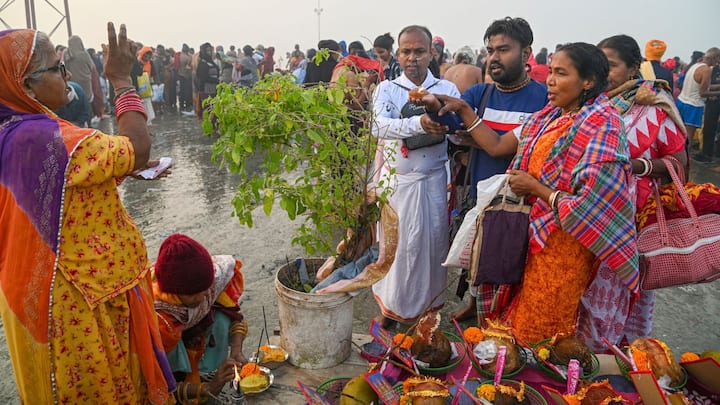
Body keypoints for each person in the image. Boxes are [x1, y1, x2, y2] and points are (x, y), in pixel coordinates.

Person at [0, 24, 173, 403]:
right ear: (24, 86)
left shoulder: (11, 133)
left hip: (33, 294)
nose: (66, 76)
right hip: (75, 304)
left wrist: (119, 172)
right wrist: (121, 79)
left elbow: (52, 195)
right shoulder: (48, 138)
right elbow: (137, 147)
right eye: (56, 68)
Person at [423, 42, 639, 343]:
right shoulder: (549, 116)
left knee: (540, 330)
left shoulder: (603, 124)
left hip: (562, 250)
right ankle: (508, 379)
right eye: (550, 71)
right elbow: (498, 145)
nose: (550, 80)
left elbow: (594, 205)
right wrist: (462, 109)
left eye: (561, 73)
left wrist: (537, 189)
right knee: (511, 322)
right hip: (530, 237)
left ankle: (532, 387)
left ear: (587, 81)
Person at [576, 35, 687, 351]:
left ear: (634, 68)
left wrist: (637, 166)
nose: (603, 71)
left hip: (632, 220)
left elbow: (678, 164)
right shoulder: (589, 103)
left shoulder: (654, 107)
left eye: (611, 65)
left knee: (622, 298)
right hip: (587, 217)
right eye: (599, 63)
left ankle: (617, 364)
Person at [441, 17, 548, 324]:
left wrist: (478, 135)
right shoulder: (480, 95)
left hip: (522, 197)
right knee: (480, 253)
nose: (494, 57)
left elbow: (499, 145)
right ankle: (474, 304)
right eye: (490, 50)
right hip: (481, 192)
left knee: (516, 262)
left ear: (526, 53)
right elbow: (455, 130)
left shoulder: (543, 98)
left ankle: (507, 321)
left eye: (504, 49)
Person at [370, 25, 460, 327]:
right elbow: (378, 127)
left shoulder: (447, 90)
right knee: (396, 249)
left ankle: (428, 316)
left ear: (431, 53)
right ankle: (390, 313)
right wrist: (418, 124)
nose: (413, 58)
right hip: (397, 185)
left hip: (433, 182)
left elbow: (459, 132)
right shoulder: (387, 89)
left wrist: (445, 125)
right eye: (406, 51)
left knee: (431, 248)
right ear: (398, 54)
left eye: (419, 51)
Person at [153, 234, 247, 403]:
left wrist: (236, 350)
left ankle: (207, 372)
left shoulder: (209, 282)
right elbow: (157, 386)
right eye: (196, 294)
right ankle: (198, 386)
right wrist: (210, 388)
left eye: (207, 289)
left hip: (197, 339)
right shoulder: (158, 320)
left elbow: (234, 314)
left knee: (221, 317)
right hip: (173, 364)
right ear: (175, 293)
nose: (205, 296)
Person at [676, 47, 720, 161]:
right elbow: (702, 92)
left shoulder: (695, 65)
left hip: (681, 101)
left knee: (678, 134)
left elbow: (699, 85)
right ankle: (683, 162)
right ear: (713, 58)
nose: (717, 63)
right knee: (688, 138)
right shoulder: (706, 70)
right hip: (693, 106)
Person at [195, 42, 219, 118]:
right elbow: (203, 78)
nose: (209, 53)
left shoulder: (211, 62)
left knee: (215, 111)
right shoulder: (202, 63)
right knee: (209, 110)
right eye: (207, 51)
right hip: (206, 90)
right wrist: (216, 80)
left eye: (210, 51)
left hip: (214, 89)